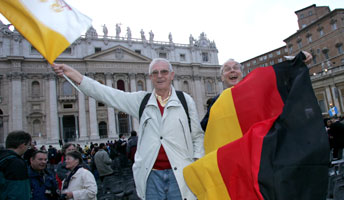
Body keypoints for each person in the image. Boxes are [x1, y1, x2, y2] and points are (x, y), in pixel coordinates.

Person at [52, 58, 204, 200]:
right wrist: (73, 74)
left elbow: (197, 136)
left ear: (172, 75)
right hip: (151, 175)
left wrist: (196, 164)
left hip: (181, 174)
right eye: (155, 73)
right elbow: (107, 94)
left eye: (164, 72)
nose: (160, 76)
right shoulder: (140, 101)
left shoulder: (185, 100)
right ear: (150, 77)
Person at [200, 51, 313, 131]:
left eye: (236, 68)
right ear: (222, 77)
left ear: (241, 73)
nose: (232, 70)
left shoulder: (257, 90)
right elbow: (205, 127)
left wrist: (299, 60)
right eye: (227, 69)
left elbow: (279, 80)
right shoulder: (216, 102)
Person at [0, 130, 32, 200]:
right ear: (23, 145)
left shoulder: (2, 158)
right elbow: (19, 192)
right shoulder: (16, 163)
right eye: (28, 146)